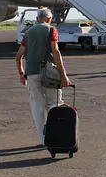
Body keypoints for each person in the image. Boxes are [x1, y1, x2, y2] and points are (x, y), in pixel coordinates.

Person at [14, 8, 71, 145]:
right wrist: (63, 75)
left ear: (37, 18)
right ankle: (55, 135)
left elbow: (18, 56)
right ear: (49, 19)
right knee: (54, 103)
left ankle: (44, 139)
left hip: (32, 73)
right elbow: (55, 52)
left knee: (37, 107)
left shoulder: (28, 33)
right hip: (49, 72)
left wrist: (22, 74)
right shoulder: (51, 30)